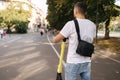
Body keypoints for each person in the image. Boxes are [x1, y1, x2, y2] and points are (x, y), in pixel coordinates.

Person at [53, 2, 96, 80]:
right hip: (86, 61)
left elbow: (55, 40)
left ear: (76, 11)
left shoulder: (71, 24)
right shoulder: (92, 25)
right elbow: (89, 39)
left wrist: (61, 34)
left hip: (73, 62)